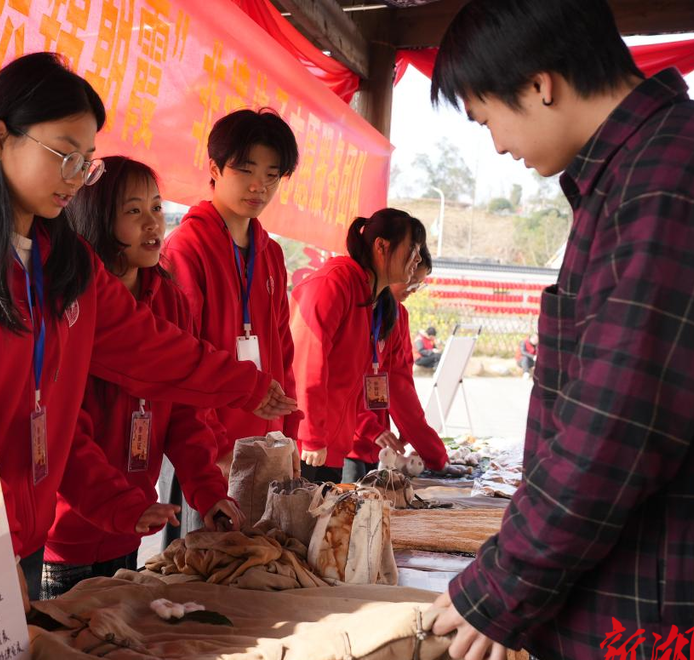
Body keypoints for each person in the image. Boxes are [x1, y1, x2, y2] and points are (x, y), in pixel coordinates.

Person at [427, 0, 694, 660]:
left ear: (539, 84)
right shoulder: (651, 168)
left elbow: (614, 430)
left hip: (661, 630)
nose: (497, 145)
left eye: (487, 119)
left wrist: (502, 584)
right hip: (668, 611)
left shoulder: (666, 187)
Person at [0, 53, 295, 601]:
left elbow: (148, 347)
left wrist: (245, 386)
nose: (75, 178)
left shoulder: (62, 262)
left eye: (85, 162)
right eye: (65, 155)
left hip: (21, 541)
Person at [41, 157, 243, 598]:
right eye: (133, 211)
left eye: (156, 207)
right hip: (66, 537)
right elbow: (66, 428)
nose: (153, 223)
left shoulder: (170, 300)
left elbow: (186, 413)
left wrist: (208, 490)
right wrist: (118, 504)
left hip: (132, 526)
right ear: (96, 216)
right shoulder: (71, 302)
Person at [163, 108, 303, 527]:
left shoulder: (270, 253)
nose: (260, 186)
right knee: (206, 560)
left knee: (259, 561)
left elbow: (284, 353)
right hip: (209, 455)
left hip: (266, 449)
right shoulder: (187, 247)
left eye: (272, 175)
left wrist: (288, 436)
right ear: (214, 168)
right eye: (245, 170)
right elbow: (181, 359)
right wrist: (217, 448)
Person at [289, 208, 423, 483]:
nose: (418, 258)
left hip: (333, 443)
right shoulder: (333, 284)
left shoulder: (367, 296)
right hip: (306, 446)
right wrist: (311, 436)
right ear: (381, 246)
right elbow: (306, 364)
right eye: (413, 248)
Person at [344, 243, 453, 482]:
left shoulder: (398, 315)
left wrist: (415, 434)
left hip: (377, 438)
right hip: (346, 436)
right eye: (411, 280)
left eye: (418, 284)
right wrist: (368, 427)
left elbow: (401, 384)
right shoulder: (354, 308)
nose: (412, 290)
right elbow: (339, 381)